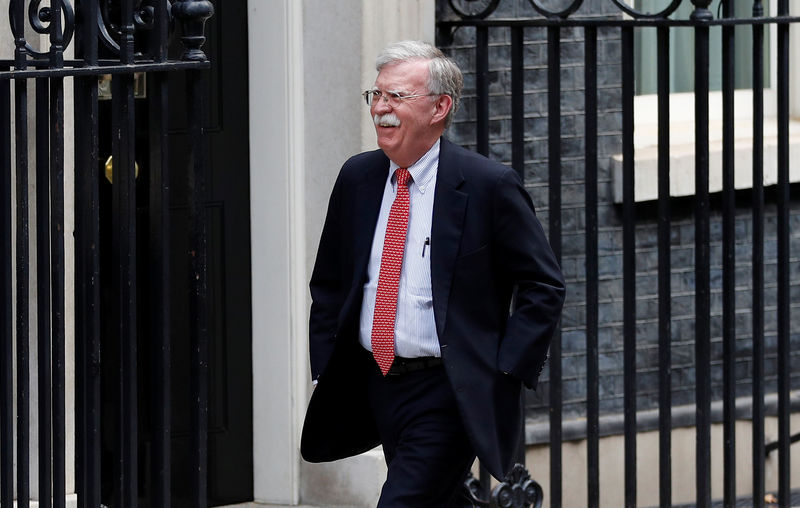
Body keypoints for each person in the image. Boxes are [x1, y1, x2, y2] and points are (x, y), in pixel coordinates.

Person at [301, 40, 565, 507]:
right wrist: (327, 364)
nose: (381, 108)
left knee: (403, 500)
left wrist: (502, 371)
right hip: (375, 380)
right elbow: (330, 281)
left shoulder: (487, 185)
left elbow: (543, 284)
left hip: (447, 389)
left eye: (396, 97)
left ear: (440, 107)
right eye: (376, 96)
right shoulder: (357, 177)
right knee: (441, 498)